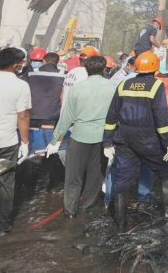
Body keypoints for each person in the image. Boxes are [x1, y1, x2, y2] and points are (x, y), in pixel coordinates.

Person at [103, 51, 168, 228]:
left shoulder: (124, 84)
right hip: (148, 138)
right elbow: (160, 116)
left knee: (122, 178)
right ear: (155, 68)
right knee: (167, 171)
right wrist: (167, 142)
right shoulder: (156, 85)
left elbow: (112, 114)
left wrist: (107, 142)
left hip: (124, 138)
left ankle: (120, 223)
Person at [45, 55, 117, 217]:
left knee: (73, 176)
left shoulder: (77, 88)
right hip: (103, 138)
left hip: (79, 137)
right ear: (104, 69)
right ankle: (87, 207)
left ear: (86, 69)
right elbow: (117, 115)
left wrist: (55, 140)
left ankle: (70, 211)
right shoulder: (113, 87)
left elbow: (66, 117)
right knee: (95, 176)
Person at [0, 48, 31, 235]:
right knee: (5, 184)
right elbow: (23, 115)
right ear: (17, 65)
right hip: (6, 142)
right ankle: (1, 226)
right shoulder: (20, 86)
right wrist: (25, 142)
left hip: (5, 141)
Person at [26, 52, 64, 154]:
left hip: (32, 115)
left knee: (31, 148)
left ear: (44, 61)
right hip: (51, 117)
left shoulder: (31, 73)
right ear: (57, 62)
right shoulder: (63, 75)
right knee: (46, 149)